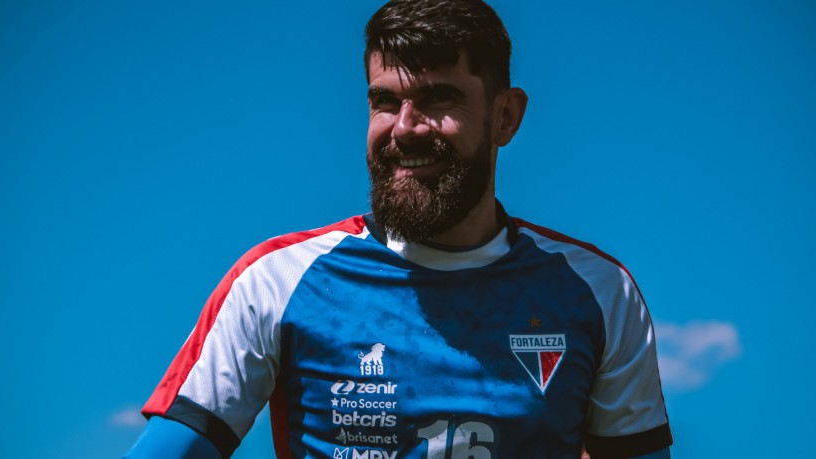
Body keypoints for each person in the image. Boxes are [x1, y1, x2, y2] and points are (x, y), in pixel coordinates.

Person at [125, 1, 672, 458]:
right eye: (384, 101)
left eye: (438, 99)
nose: (405, 128)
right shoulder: (277, 281)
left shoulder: (598, 292)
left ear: (505, 117)